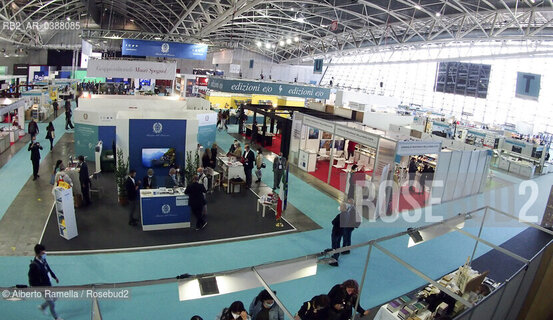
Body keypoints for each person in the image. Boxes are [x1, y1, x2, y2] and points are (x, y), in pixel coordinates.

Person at [28, 244, 63, 320]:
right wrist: (37, 288)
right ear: (38, 253)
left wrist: (54, 277)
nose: (45, 254)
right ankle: (56, 317)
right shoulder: (34, 265)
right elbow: (31, 279)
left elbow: (48, 268)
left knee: (55, 298)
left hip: (48, 284)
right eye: (43, 253)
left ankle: (42, 307)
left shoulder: (43, 259)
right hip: (42, 287)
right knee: (51, 303)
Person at [329, 202, 347, 267]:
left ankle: (334, 259)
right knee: (338, 244)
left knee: (334, 245)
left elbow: (333, 222)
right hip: (341, 232)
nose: (340, 208)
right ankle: (336, 255)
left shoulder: (339, 216)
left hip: (336, 232)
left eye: (341, 207)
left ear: (343, 208)